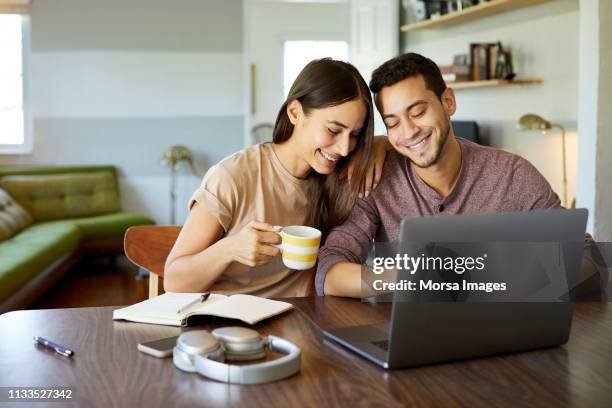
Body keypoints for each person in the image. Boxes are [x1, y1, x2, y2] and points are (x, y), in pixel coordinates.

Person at [316, 52, 607, 297]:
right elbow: (329, 273)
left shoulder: (513, 175)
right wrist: (411, 276)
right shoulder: (375, 180)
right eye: (393, 123)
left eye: (418, 112)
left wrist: (502, 276)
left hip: (503, 335)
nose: (408, 131)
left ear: (448, 103)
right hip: (409, 339)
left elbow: (590, 261)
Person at [164, 58, 392, 297]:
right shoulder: (233, 176)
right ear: (295, 112)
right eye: (333, 130)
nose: (345, 148)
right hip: (230, 324)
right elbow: (174, 280)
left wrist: (380, 143)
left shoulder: (342, 173)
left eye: (354, 134)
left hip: (302, 323)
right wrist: (229, 249)